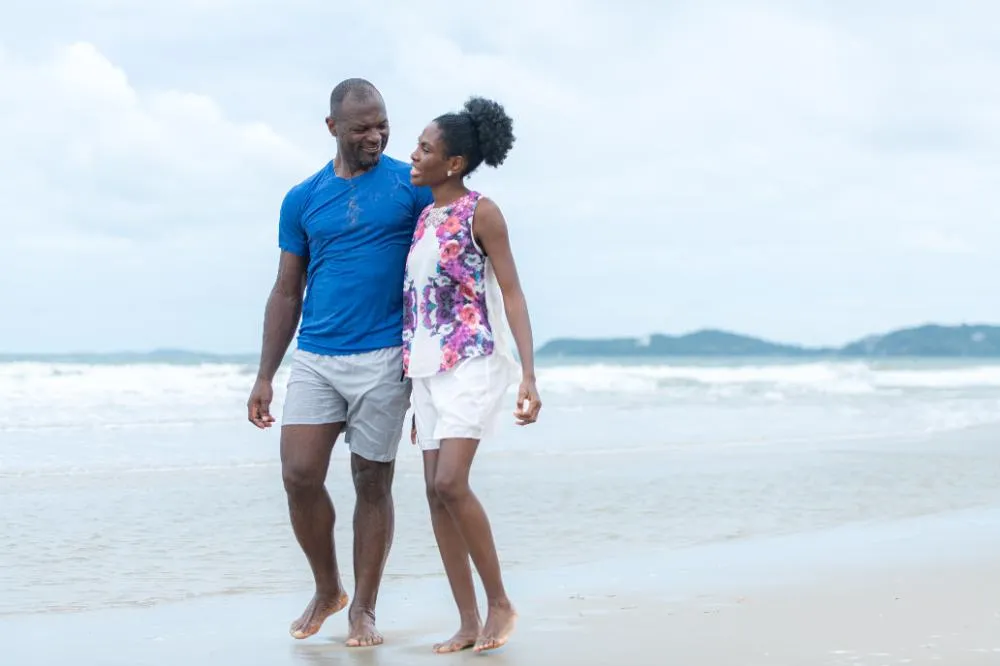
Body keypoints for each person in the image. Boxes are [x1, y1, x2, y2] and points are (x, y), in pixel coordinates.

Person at [246, 78, 433, 647]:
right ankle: (329, 589)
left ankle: (365, 610)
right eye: (361, 128)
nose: (375, 136)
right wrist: (264, 374)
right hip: (317, 354)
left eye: (382, 125)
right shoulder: (303, 198)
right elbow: (285, 291)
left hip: (384, 356)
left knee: (371, 480)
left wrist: (431, 377)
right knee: (298, 474)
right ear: (333, 129)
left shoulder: (411, 186)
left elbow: (442, 270)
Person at [403, 96, 542, 654]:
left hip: (472, 360)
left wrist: (529, 374)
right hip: (427, 368)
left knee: (449, 483)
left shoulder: (483, 212)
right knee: (435, 496)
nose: (413, 155)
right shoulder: (424, 216)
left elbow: (510, 289)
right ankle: (467, 621)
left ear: (453, 162)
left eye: (426, 148)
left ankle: (500, 602)